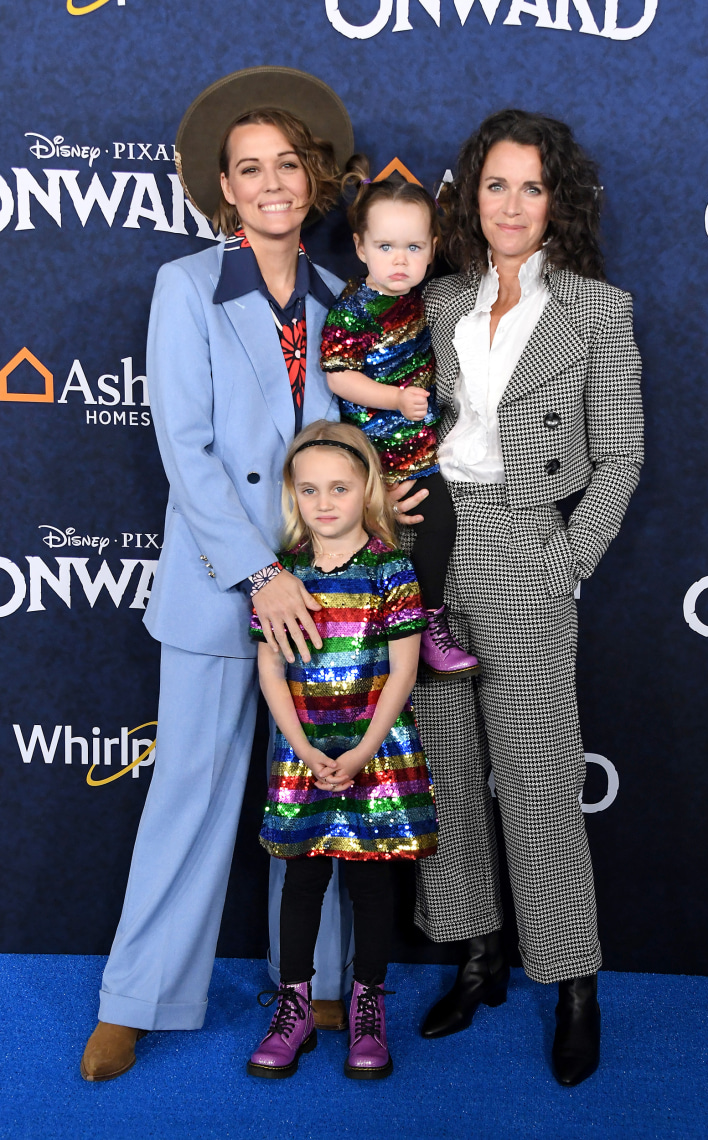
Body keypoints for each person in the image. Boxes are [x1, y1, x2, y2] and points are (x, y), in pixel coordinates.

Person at [80, 67, 359, 1082]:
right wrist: (258, 573)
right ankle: (136, 997)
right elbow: (187, 450)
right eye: (251, 169)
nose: (272, 183)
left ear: (313, 177)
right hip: (218, 587)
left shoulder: (343, 296)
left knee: (323, 787)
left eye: (287, 163)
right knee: (189, 794)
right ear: (225, 190)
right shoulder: (186, 286)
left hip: (326, 597)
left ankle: (322, 984)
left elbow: (359, 445)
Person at [401, 109, 644, 1087]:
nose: (510, 204)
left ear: (558, 201)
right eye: (494, 184)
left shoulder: (597, 308)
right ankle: (475, 956)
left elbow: (621, 454)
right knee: (445, 771)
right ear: (470, 194)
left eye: (530, 186)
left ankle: (573, 982)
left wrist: (567, 557)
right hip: (431, 543)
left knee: (540, 780)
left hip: (522, 542)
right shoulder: (435, 297)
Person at [246, 420, 437, 1080]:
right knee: (300, 880)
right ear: (292, 498)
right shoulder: (283, 577)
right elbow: (271, 670)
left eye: (338, 488)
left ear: (367, 490)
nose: (323, 503)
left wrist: (359, 753)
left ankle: (367, 1008)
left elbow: (405, 672)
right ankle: (293, 1007)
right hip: (304, 754)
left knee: (369, 880)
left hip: (375, 757)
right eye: (307, 490)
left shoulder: (391, 571)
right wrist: (301, 747)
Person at [320, 162, 478, 680]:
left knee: (439, 531)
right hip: (372, 452)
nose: (400, 260)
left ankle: (429, 623)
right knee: (367, 550)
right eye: (386, 247)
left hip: (421, 449)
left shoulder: (426, 300)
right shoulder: (353, 308)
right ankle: (369, 639)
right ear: (361, 248)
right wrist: (393, 398)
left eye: (413, 248)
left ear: (433, 248)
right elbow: (339, 376)